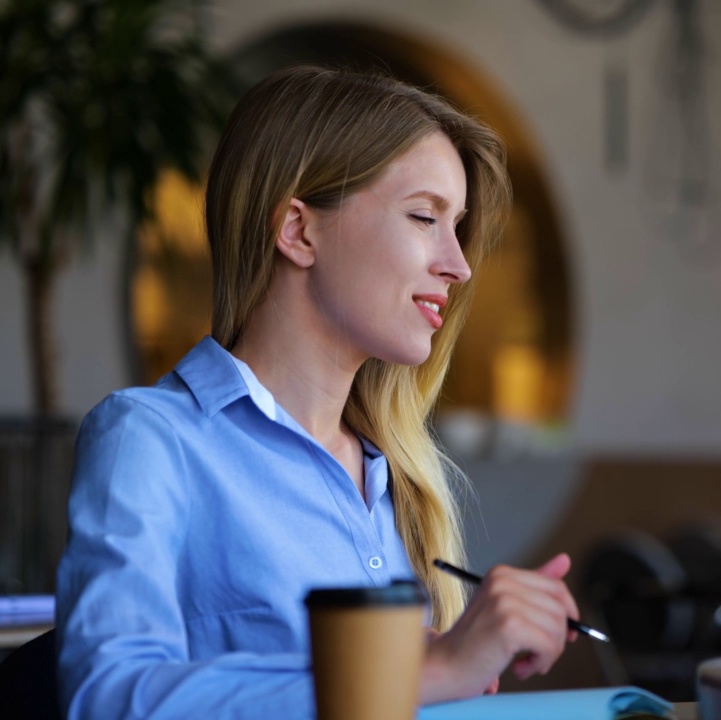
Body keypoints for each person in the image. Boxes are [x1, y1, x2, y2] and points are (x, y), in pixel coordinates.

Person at [55, 65, 579, 719]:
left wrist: (445, 671)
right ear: (299, 231)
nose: (460, 265)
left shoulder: (396, 482)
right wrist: (425, 672)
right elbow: (104, 696)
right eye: (424, 217)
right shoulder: (149, 437)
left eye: (458, 226)